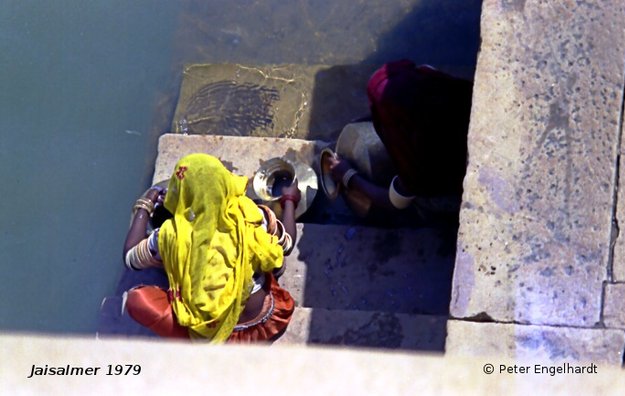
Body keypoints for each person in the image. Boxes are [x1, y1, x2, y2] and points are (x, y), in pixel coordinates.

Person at [122, 153, 300, 343]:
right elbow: (287, 243)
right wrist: (289, 200)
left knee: (136, 299)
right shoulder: (251, 215)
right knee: (271, 256)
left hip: (207, 334)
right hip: (263, 322)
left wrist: (145, 205)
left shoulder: (168, 235)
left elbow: (130, 258)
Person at [327, 59, 473, 224]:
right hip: (459, 159)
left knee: (419, 205)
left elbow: (394, 203)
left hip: (449, 195)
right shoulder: (449, 92)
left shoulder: (421, 160)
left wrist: (347, 175)